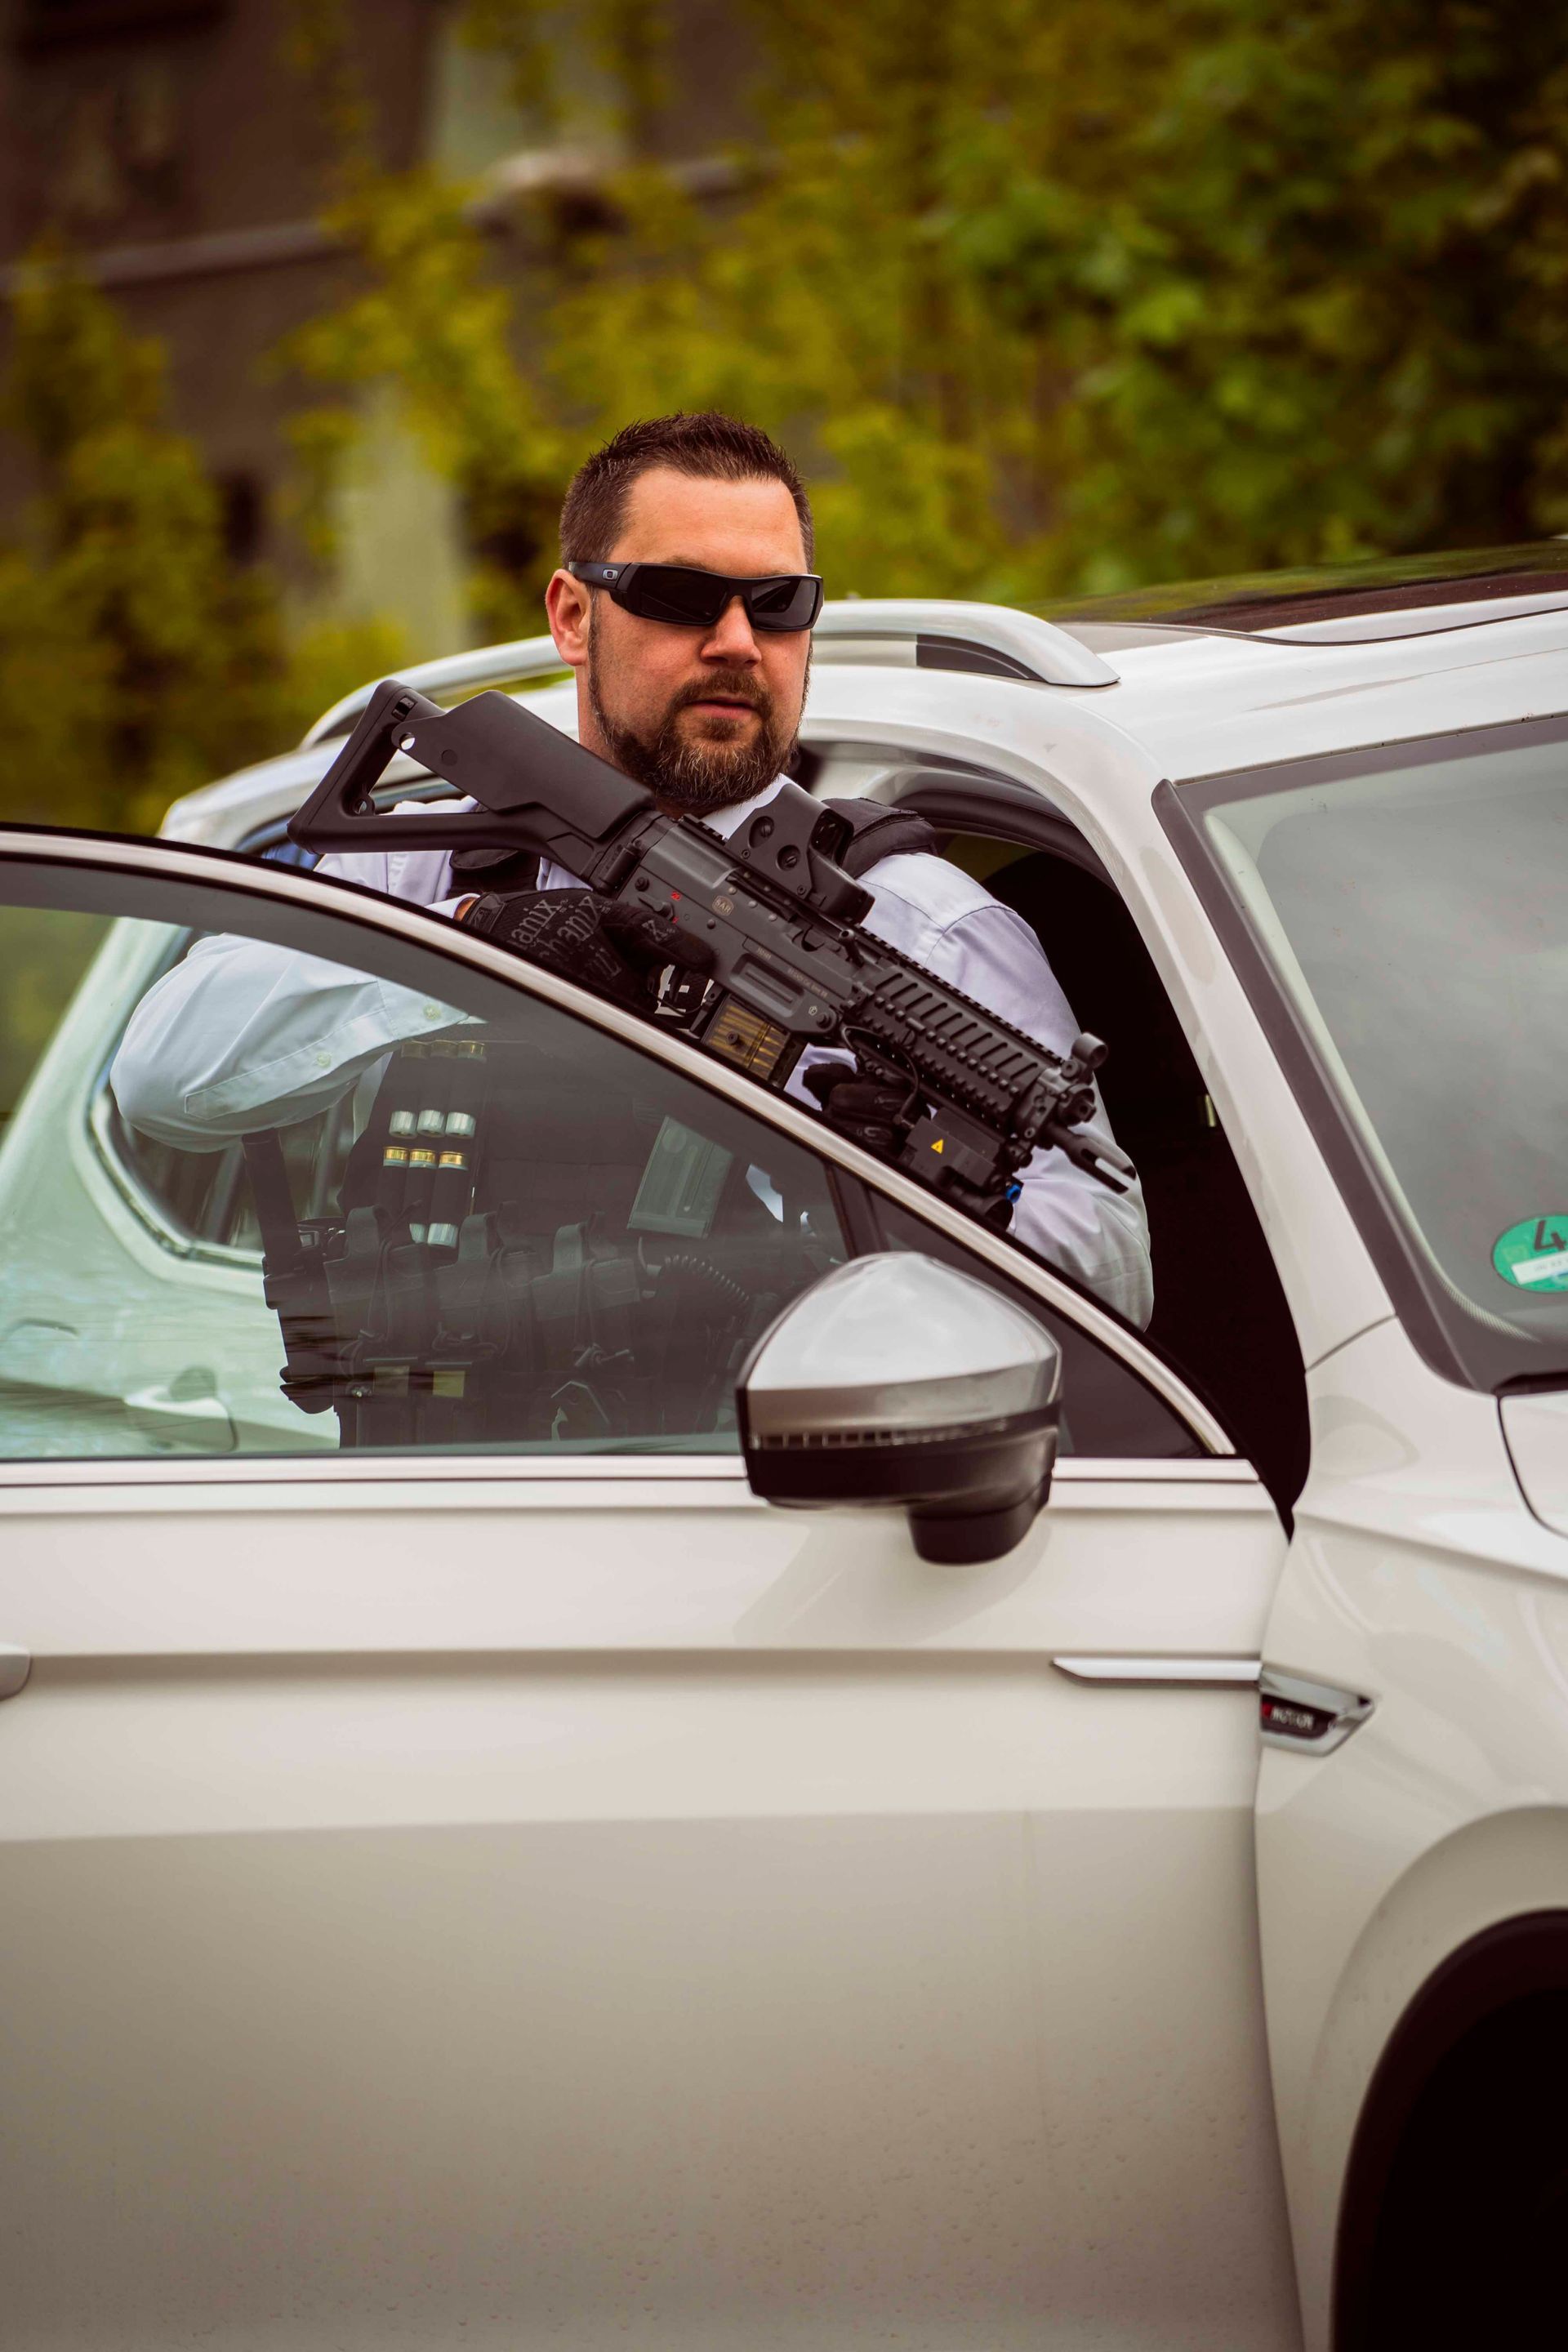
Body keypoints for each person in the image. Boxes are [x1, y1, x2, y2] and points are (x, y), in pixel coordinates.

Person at [114, 411, 1152, 1328]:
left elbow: (1110, 1257)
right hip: (440, 1465)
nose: (738, 642)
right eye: (682, 596)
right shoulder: (432, 867)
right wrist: (468, 950)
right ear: (573, 616)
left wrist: (915, 1212)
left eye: (778, 603)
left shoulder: (918, 926)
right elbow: (158, 1079)